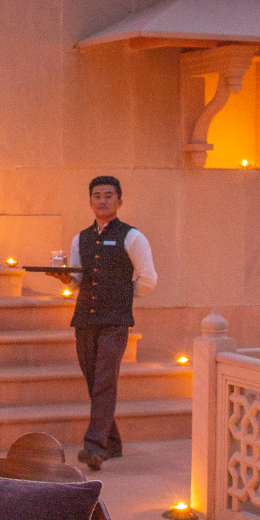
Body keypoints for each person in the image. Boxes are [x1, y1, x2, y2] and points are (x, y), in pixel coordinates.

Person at [68, 176, 157, 471]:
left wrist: (123, 295)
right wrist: (65, 278)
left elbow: (148, 278)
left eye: (108, 195)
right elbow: (78, 276)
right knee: (94, 380)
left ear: (119, 200)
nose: (102, 200)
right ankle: (113, 442)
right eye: (97, 196)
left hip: (115, 320)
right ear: (89, 201)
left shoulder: (132, 237)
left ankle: (94, 447)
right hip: (85, 318)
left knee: (105, 380)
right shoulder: (80, 238)